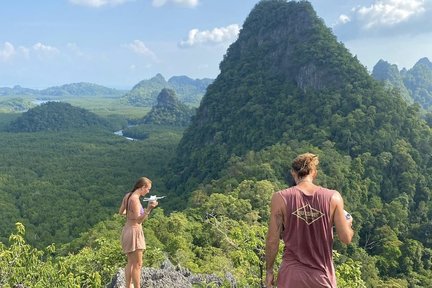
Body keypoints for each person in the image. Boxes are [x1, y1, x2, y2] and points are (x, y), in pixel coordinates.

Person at [265, 153, 354, 288]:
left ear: (293, 173)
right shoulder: (333, 197)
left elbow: (272, 240)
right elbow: (346, 238)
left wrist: (269, 270)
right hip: (321, 276)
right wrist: (347, 224)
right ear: (314, 173)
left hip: (291, 276)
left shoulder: (280, 198)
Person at [118, 177, 158, 288]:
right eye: (148, 189)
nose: (148, 191)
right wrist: (149, 209)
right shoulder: (135, 199)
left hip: (127, 229)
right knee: (138, 264)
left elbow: (121, 212)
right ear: (142, 187)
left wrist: (130, 214)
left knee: (130, 262)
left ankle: (128, 286)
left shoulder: (128, 195)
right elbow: (139, 220)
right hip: (134, 232)